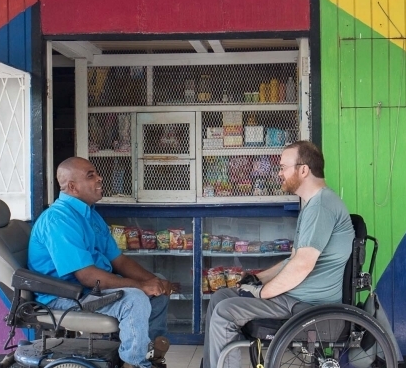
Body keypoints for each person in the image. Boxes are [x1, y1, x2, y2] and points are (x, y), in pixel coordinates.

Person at [203, 141, 355, 368]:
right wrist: (258, 278)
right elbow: (293, 259)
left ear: (303, 170)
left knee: (225, 311)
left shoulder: (321, 206)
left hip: (305, 304)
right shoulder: (312, 204)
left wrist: (263, 292)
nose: (279, 173)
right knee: (220, 297)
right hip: (296, 296)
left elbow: (302, 266)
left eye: (284, 167)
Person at [28, 157, 172, 368]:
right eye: (91, 175)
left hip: (90, 291)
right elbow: (87, 276)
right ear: (72, 187)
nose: (99, 178)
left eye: (96, 173)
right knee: (135, 298)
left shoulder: (90, 215)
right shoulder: (58, 220)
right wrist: (140, 285)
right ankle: (135, 363)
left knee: (158, 285)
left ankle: (150, 351)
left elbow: (119, 260)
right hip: (66, 296)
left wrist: (152, 281)